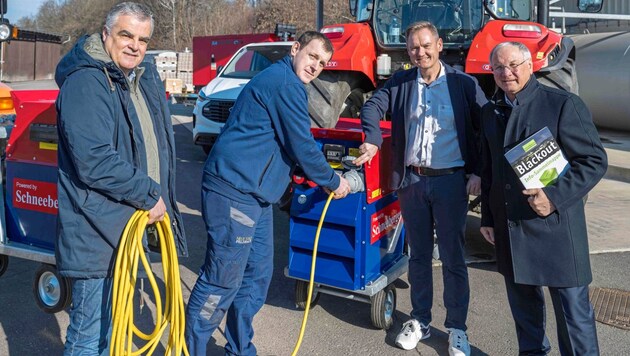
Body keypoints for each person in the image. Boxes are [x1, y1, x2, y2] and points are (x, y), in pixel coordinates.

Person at [185, 31, 351, 356]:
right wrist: (334, 181)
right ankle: (190, 349)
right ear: (295, 49)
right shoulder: (285, 83)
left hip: (257, 197)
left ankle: (239, 348)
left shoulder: (288, 84)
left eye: (322, 62)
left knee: (257, 275)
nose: (315, 65)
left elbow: (285, 144)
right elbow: (302, 145)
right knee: (222, 280)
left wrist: (306, 170)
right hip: (234, 191)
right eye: (312, 56)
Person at [55, 2, 187, 354]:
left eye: (143, 39)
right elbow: (94, 159)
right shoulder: (87, 81)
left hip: (126, 225)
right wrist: (148, 193)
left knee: (114, 329)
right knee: (89, 334)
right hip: (96, 230)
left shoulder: (139, 77)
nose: (135, 45)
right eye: (126, 35)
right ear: (105, 34)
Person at [354, 21, 486, 355]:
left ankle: (456, 328)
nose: (420, 52)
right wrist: (371, 139)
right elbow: (371, 106)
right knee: (418, 256)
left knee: (454, 257)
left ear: (439, 45)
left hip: (451, 182)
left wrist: (479, 172)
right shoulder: (400, 82)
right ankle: (420, 321)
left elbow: (487, 128)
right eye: (413, 47)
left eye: (426, 45)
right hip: (412, 182)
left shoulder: (463, 84)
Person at [479, 41, 607, 355]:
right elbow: (490, 170)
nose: (506, 73)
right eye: (498, 67)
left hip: (557, 232)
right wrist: (488, 218)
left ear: (530, 65)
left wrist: (552, 196)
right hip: (512, 230)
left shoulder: (563, 104)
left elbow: (594, 161)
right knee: (526, 319)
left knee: (574, 321)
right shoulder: (489, 112)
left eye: (513, 65)